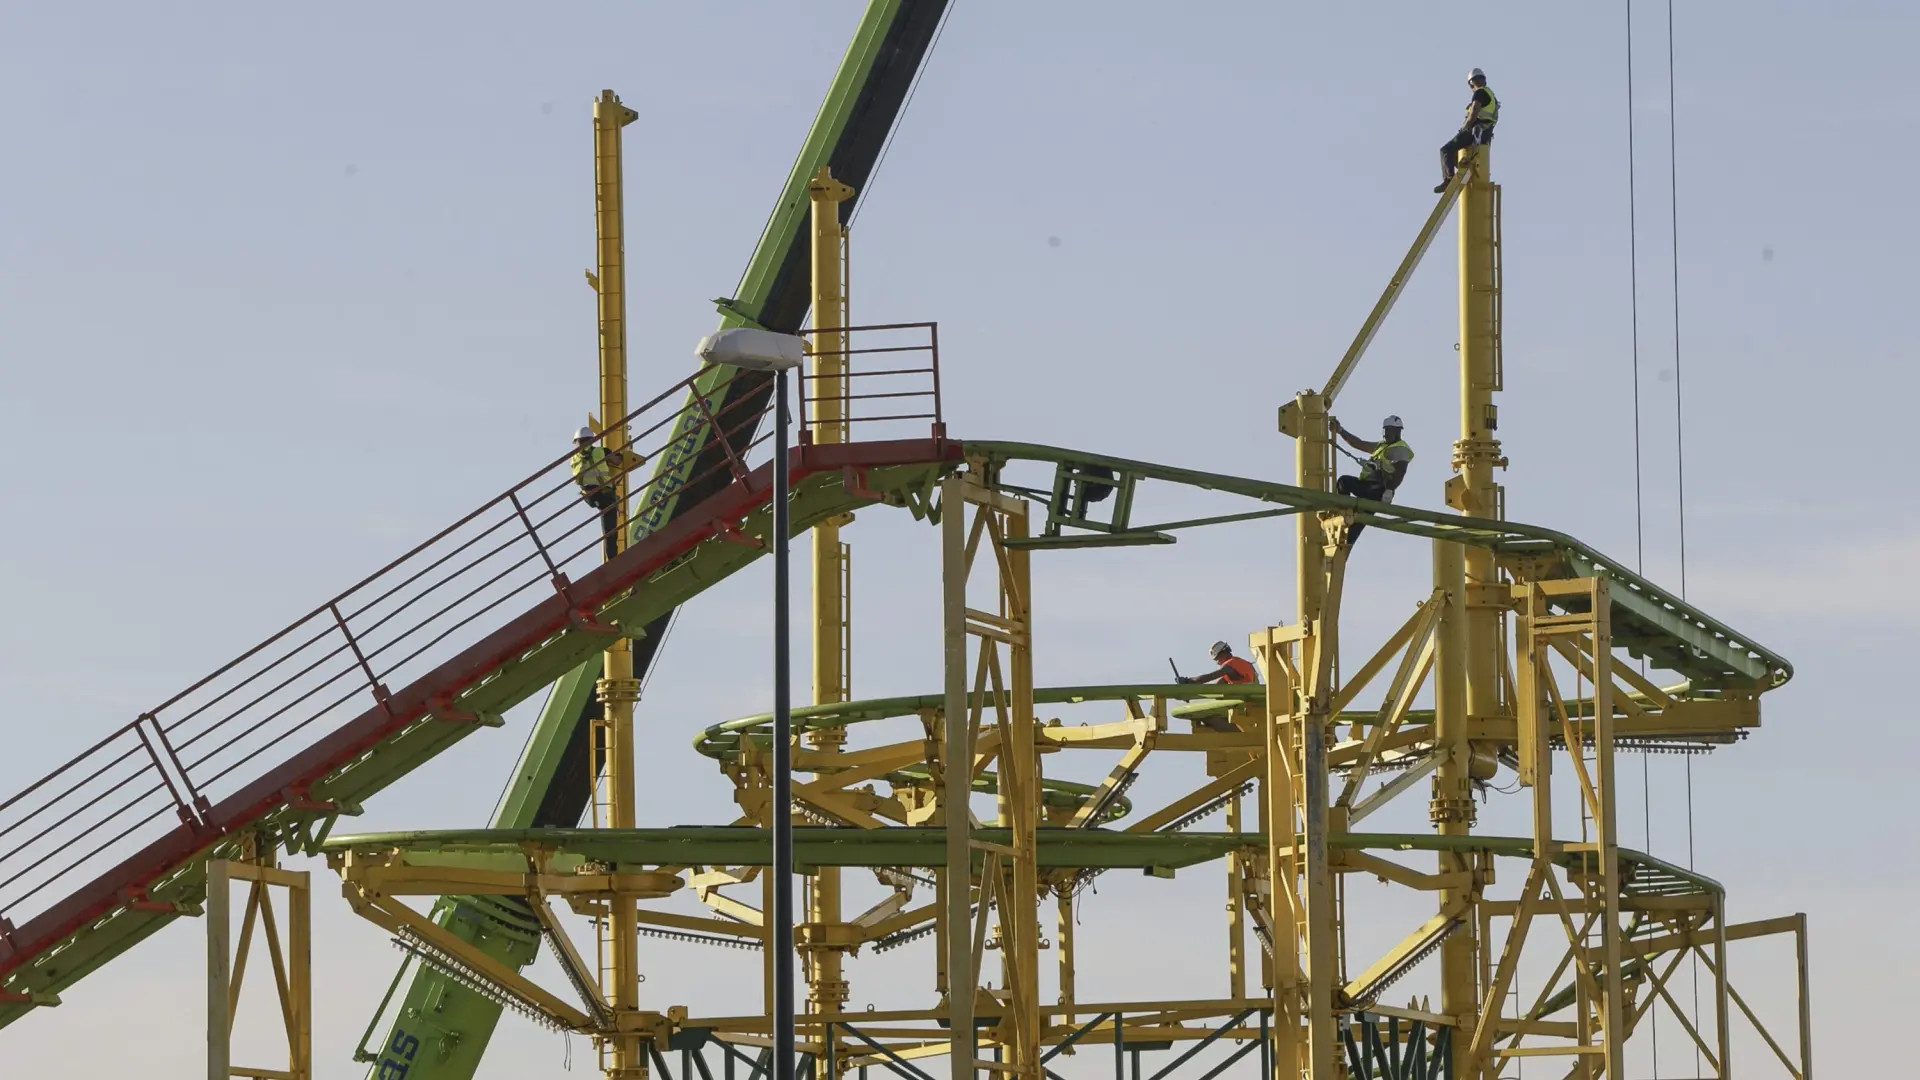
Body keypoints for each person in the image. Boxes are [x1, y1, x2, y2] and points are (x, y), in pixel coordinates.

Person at [1331, 414, 1414, 540]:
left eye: (1389, 430)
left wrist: (1390, 490)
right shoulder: (1382, 446)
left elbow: (1400, 472)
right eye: (1385, 430)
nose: (1386, 434)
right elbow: (1359, 444)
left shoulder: (1399, 449)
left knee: (1344, 483)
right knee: (1356, 524)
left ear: (1397, 432)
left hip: (1376, 490)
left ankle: (1345, 514)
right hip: (1367, 487)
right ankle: (1346, 526)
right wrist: (1341, 431)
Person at [570, 426, 645, 561]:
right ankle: (612, 557)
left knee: (607, 521)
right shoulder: (600, 452)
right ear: (591, 440)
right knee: (610, 528)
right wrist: (623, 453)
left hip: (588, 496)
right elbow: (617, 461)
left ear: (577, 442)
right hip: (603, 494)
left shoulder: (574, 459)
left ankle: (611, 557)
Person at [1435, 68, 1499, 193]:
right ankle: (1460, 172)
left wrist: (1465, 128)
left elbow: (1474, 111)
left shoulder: (1480, 93)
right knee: (1460, 157)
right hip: (1484, 134)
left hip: (1476, 131)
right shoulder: (1491, 96)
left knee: (1446, 150)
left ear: (1471, 83)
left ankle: (1449, 179)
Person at [1178, 641, 1260, 686]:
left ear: (1223, 654)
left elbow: (1209, 677)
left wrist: (1187, 680)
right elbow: (1216, 688)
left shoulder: (1230, 665)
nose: (1217, 663)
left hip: (1248, 699)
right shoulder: (1239, 665)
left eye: (1217, 659)